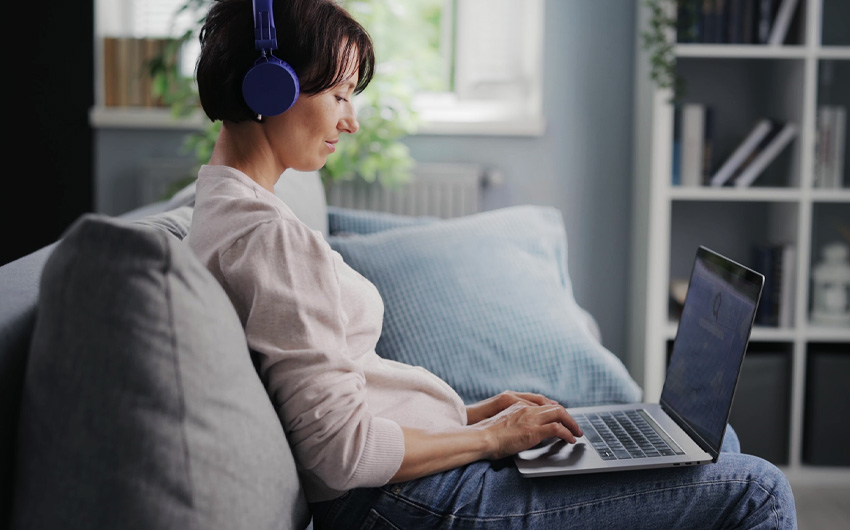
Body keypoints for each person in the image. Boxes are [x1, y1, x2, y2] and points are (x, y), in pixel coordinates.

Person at [186, 1, 797, 528]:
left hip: (405, 485)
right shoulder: (267, 239)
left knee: (706, 449)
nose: (351, 119)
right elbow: (342, 452)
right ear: (272, 90)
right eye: (341, 95)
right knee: (756, 487)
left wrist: (471, 412)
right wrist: (491, 439)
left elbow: (346, 390)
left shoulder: (227, 209)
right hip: (402, 503)